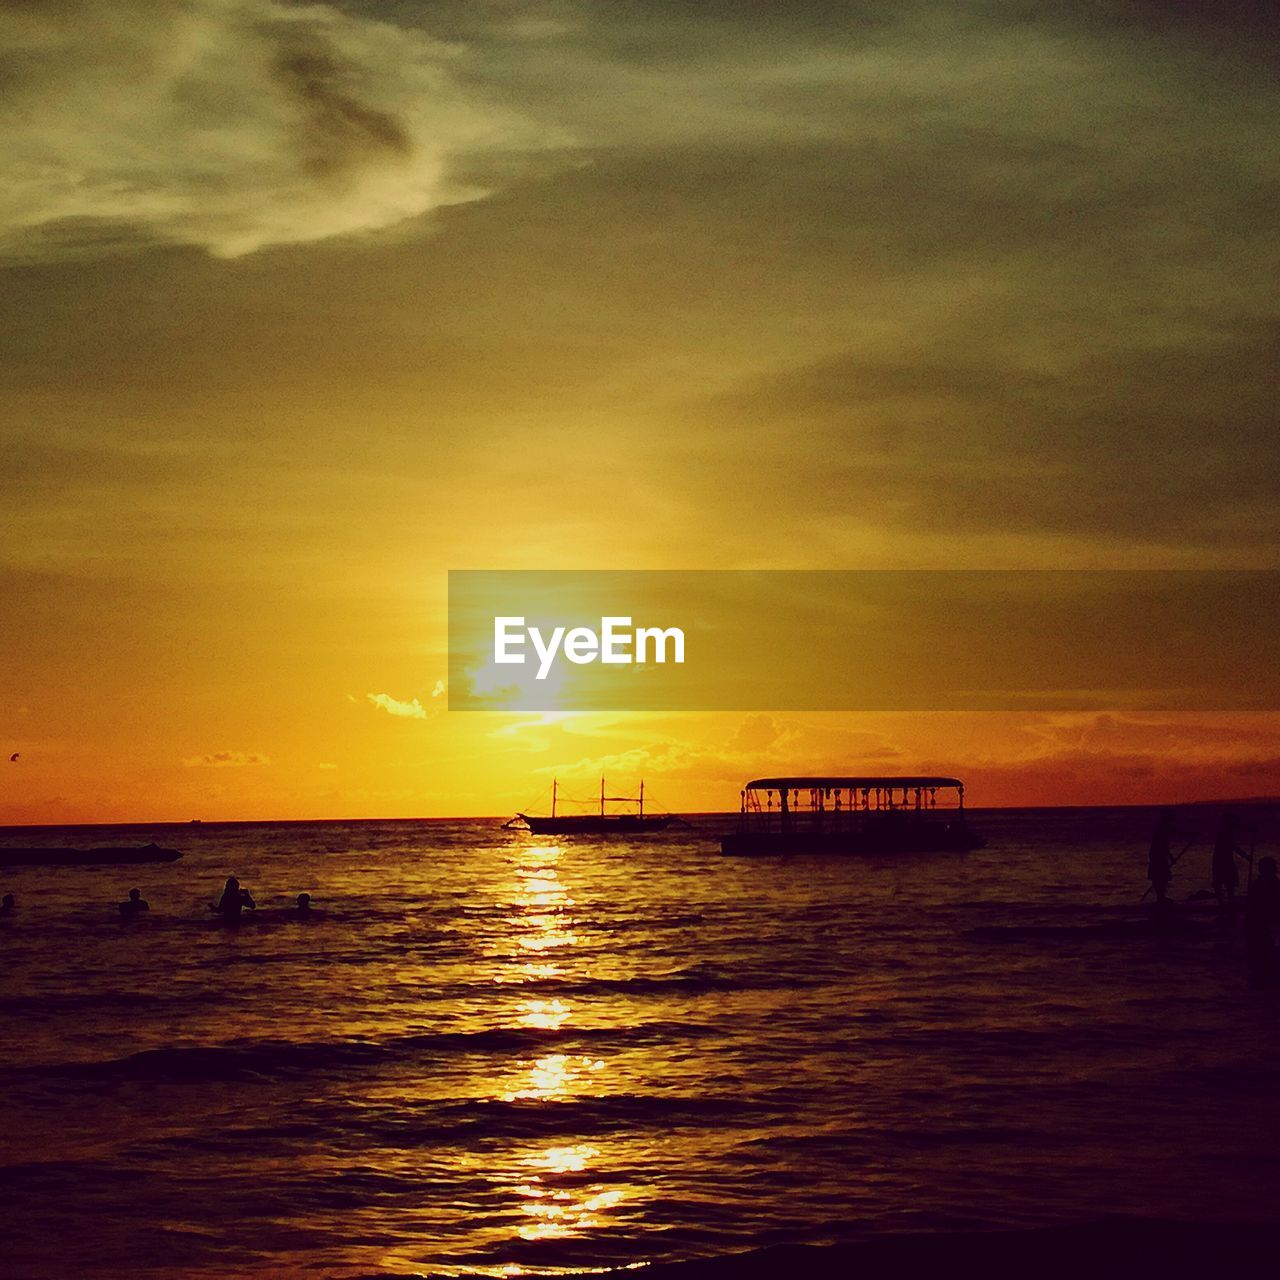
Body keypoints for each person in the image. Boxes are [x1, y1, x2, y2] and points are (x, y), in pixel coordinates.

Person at [1246, 857, 1280, 988]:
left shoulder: (1270, 884)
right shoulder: (1261, 884)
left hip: (1264, 922)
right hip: (1259, 922)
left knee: (1264, 953)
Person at [1211, 813, 1249, 908]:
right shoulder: (1225, 831)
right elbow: (1232, 846)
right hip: (1221, 860)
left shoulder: (1228, 830)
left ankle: (1227, 902)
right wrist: (1245, 855)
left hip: (1224, 859)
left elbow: (1240, 828)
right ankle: (1223, 902)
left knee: (1228, 882)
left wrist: (1251, 829)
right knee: (1224, 881)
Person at [1147, 808, 1175, 905]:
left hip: (1157, 855)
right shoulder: (1163, 828)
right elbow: (1162, 845)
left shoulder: (1163, 827)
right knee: (1160, 877)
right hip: (1157, 855)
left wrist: (1170, 856)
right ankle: (1160, 898)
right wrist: (1170, 857)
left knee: (1160, 877)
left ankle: (1161, 897)